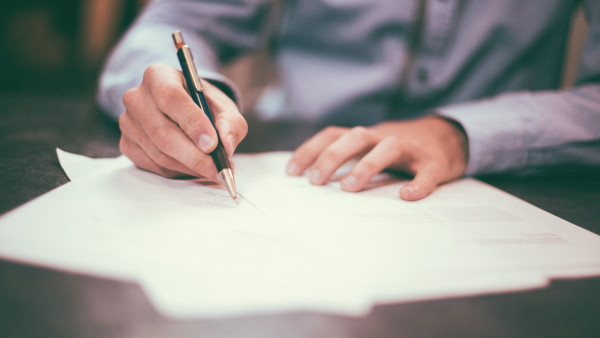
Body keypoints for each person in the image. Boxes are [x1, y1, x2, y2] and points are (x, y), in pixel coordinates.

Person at [97, 0, 600, 201]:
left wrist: (461, 133)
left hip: (500, 181)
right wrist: (192, 97)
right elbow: (170, 25)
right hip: (293, 158)